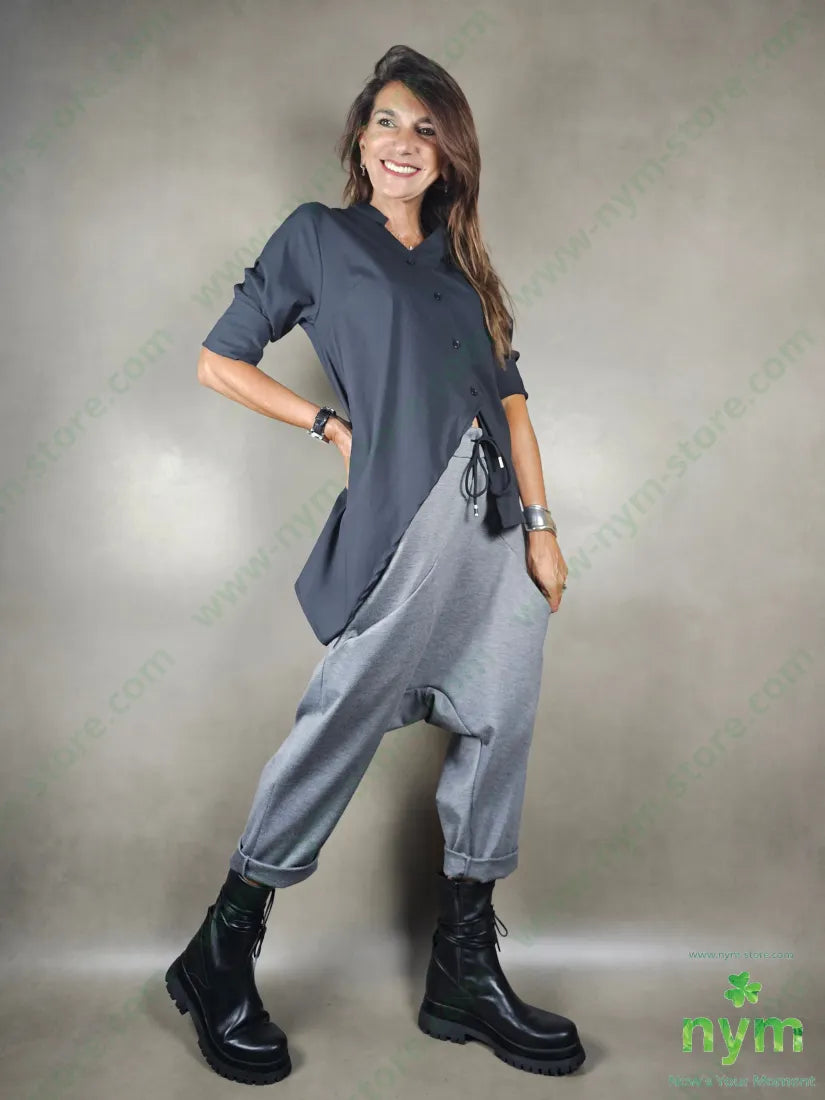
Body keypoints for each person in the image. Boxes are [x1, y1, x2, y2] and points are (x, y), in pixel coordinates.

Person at [165, 44, 584, 1085]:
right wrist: (327, 424)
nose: (405, 142)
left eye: (426, 130)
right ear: (360, 140)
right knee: (338, 725)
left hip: (498, 531)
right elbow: (219, 359)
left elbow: (514, 408)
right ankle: (219, 950)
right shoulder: (318, 237)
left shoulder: (465, 272)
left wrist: (541, 527)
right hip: (406, 526)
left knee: (500, 727)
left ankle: (464, 973)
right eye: (388, 122)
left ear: (449, 157)